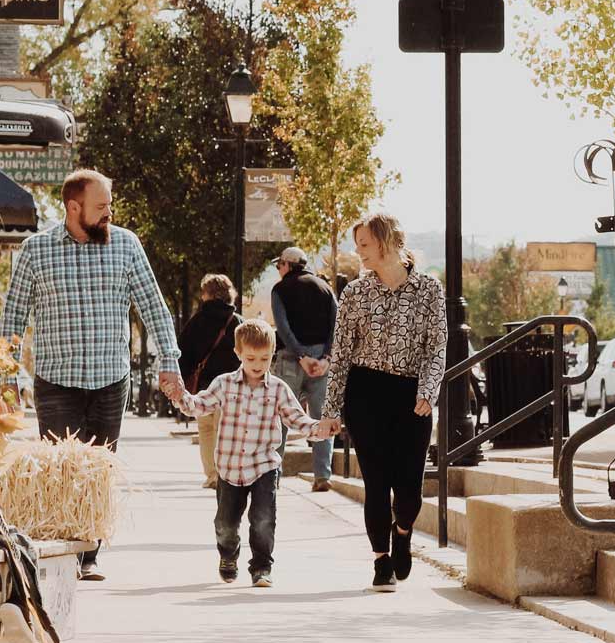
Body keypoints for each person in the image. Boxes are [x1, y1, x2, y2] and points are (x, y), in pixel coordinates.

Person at [0, 168, 181, 582]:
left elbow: (153, 306)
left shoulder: (126, 246)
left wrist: (169, 358)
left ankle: (89, 553)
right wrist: (7, 374)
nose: (108, 215)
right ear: (73, 207)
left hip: (109, 379)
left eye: (109, 206)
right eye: (100, 208)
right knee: (63, 470)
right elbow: (12, 318)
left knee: (97, 470)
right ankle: (64, 551)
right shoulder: (35, 250)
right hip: (56, 379)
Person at [312, 212, 446, 593]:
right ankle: (381, 561)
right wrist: (332, 411)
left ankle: (402, 532)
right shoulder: (354, 293)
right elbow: (341, 355)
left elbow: (437, 346)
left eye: (365, 245)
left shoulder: (429, 290)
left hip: (411, 396)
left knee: (409, 493)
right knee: (376, 483)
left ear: (386, 243)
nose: (360, 253)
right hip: (365, 393)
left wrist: (428, 390)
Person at [175, 319, 317, 588]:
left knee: (263, 518)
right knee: (226, 523)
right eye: (251, 357)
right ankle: (228, 555)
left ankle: (262, 567)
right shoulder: (224, 384)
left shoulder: (277, 389)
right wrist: (181, 396)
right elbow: (199, 405)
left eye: (264, 358)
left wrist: (318, 428)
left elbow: (297, 418)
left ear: (272, 355)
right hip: (230, 467)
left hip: (264, 464)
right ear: (238, 354)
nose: (257, 364)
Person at [269, 246, 339, 491]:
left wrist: (300, 355)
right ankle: (322, 475)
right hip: (322, 362)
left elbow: (282, 327)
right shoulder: (325, 288)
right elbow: (336, 325)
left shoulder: (279, 290)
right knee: (322, 419)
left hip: (290, 359)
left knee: (281, 418)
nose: (278, 269)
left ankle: (274, 474)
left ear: (288, 265)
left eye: (279, 265)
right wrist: (326, 358)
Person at [177, 274, 243, 490]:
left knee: (206, 430)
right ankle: (226, 474)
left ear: (208, 294)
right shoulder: (237, 321)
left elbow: (183, 352)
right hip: (232, 386)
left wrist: (184, 381)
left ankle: (212, 475)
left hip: (204, 386)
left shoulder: (196, 321)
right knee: (226, 430)